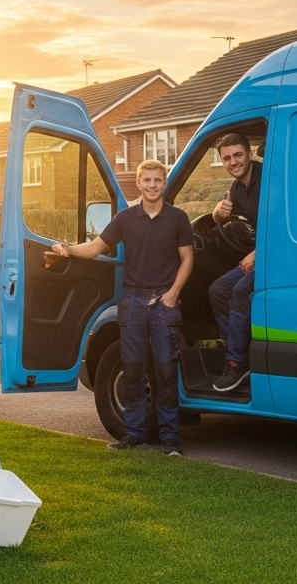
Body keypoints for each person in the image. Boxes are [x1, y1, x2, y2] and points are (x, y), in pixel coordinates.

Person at [46, 159, 193, 456]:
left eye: (157, 180)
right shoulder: (125, 218)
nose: (152, 185)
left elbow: (188, 260)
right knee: (133, 369)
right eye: (147, 180)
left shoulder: (178, 218)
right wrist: (67, 250)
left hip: (164, 302)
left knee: (166, 370)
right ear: (138, 184)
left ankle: (170, 440)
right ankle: (134, 435)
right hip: (134, 301)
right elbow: (94, 248)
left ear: (164, 183)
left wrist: (173, 294)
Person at [207, 133, 261, 392]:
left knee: (240, 290)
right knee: (218, 290)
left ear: (250, 154)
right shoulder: (237, 188)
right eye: (227, 158)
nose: (233, 162)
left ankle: (237, 363)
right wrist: (218, 212)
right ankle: (240, 355)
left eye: (238, 155)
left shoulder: (268, 177)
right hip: (261, 254)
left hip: (279, 256)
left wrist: (258, 254)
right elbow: (223, 216)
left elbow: (284, 225)